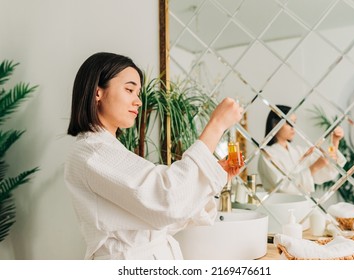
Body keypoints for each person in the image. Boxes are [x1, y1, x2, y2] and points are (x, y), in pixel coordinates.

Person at [64, 52, 244, 260]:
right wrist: (216, 126)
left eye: (138, 93)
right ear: (98, 92)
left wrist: (215, 178)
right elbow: (168, 199)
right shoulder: (92, 152)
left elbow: (163, 217)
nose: (138, 102)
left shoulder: (108, 150)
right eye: (129, 89)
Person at [257, 105, 346, 195]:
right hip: (281, 206)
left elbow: (328, 168)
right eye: (289, 123)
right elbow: (282, 188)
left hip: (304, 204)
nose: (293, 127)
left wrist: (334, 142)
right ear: (275, 124)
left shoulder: (298, 151)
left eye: (294, 123)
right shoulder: (267, 154)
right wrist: (313, 168)